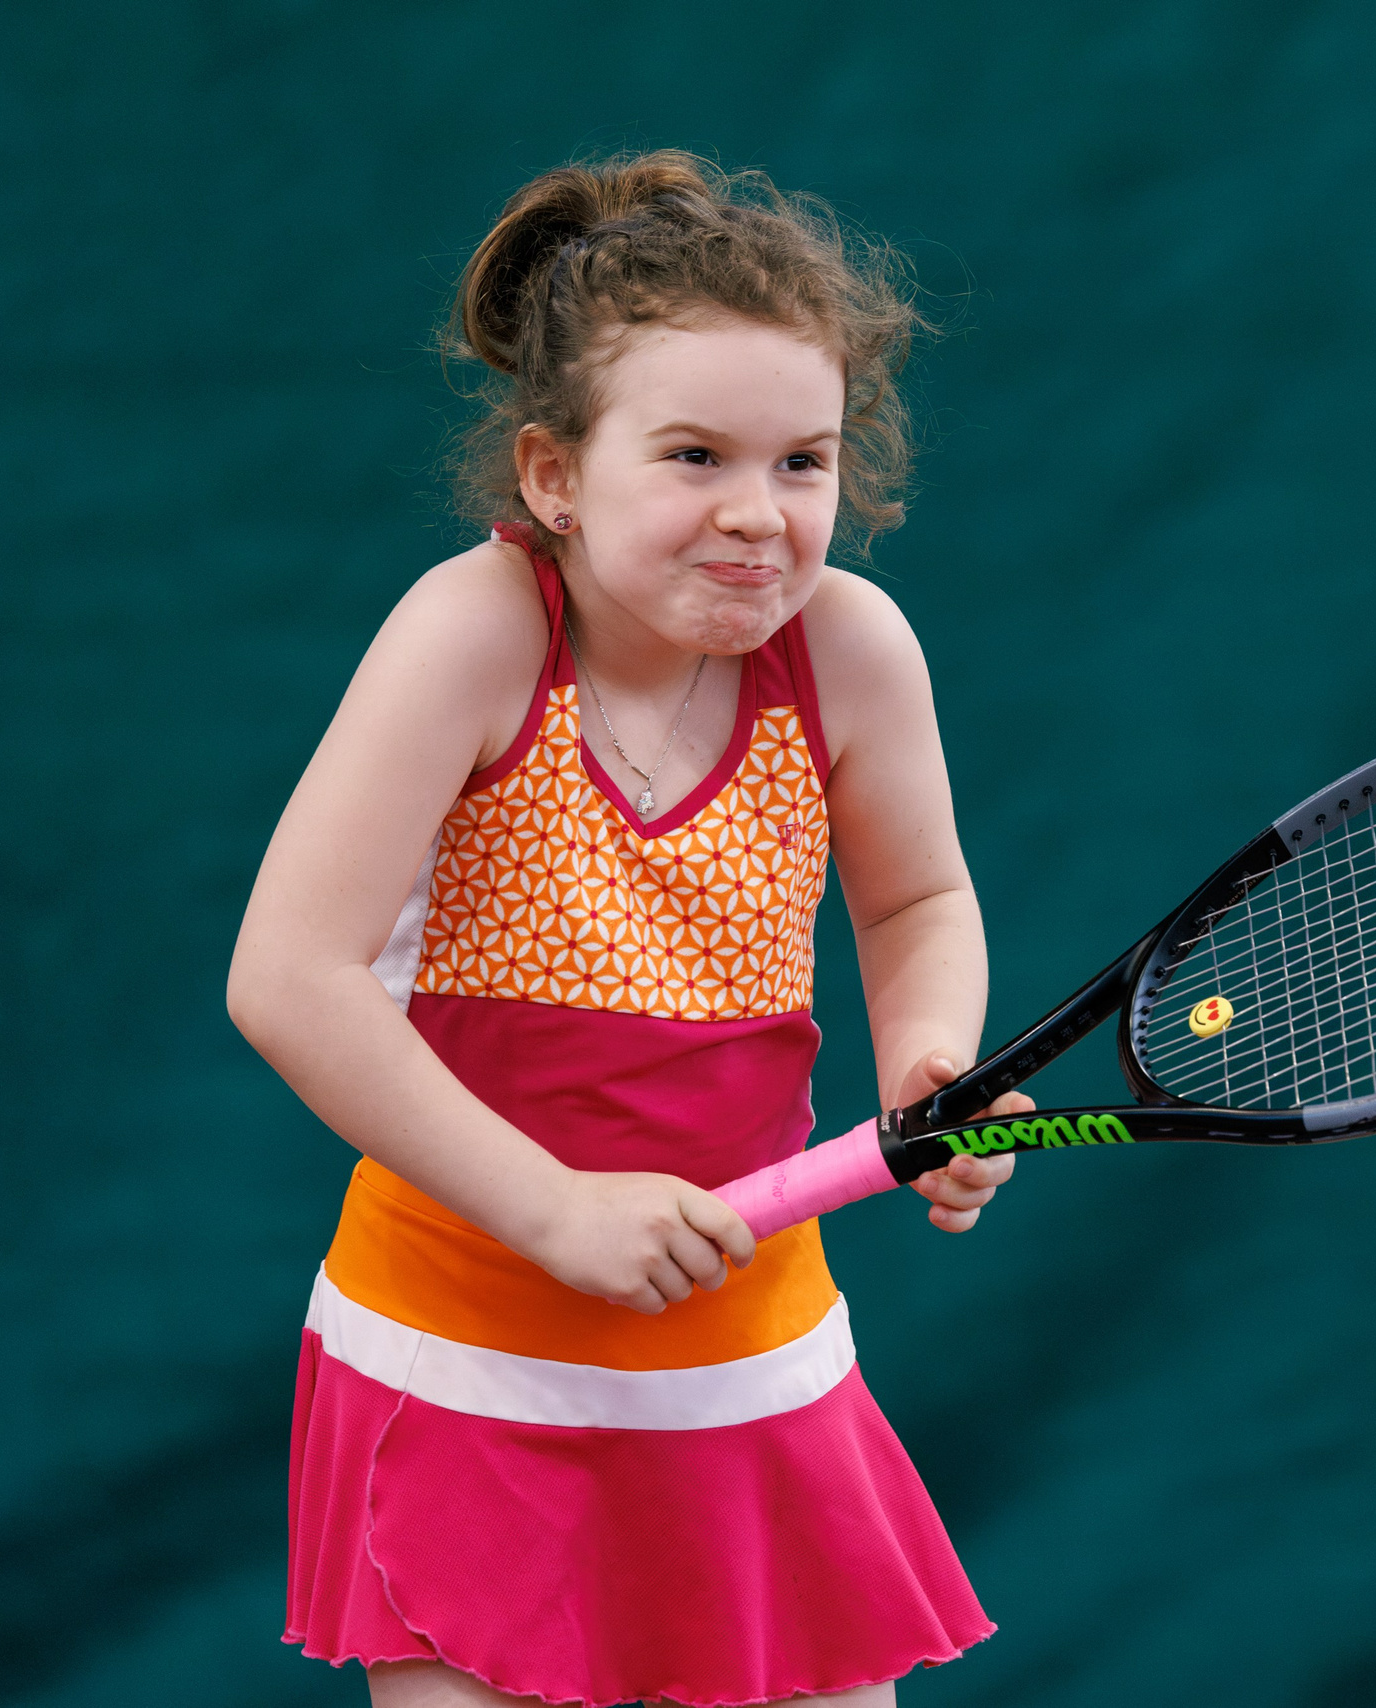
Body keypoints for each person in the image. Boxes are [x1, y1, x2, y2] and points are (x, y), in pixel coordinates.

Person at [228, 151, 1024, 1707]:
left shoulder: (852, 650)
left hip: (750, 1349)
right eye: (693, 456)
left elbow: (920, 899)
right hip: (463, 1355)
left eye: (805, 461)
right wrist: (551, 1210)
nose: (758, 513)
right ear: (555, 478)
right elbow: (289, 983)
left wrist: (932, 1056)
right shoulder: (470, 633)